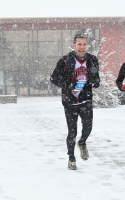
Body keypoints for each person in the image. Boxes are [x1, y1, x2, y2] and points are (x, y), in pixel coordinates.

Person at [50, 34, 100, 170]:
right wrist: (69, 84)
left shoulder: (93, 60)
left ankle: (82, 142)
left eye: (84, 44)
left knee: (88, 127)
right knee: (72, 132)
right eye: (79, 44)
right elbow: (53, 78)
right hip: (70, 101)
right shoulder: (65, 61)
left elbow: (96, 79)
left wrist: (94, 82)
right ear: (74, 45)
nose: (82, 47)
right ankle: (71, 158)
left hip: (86, 100)